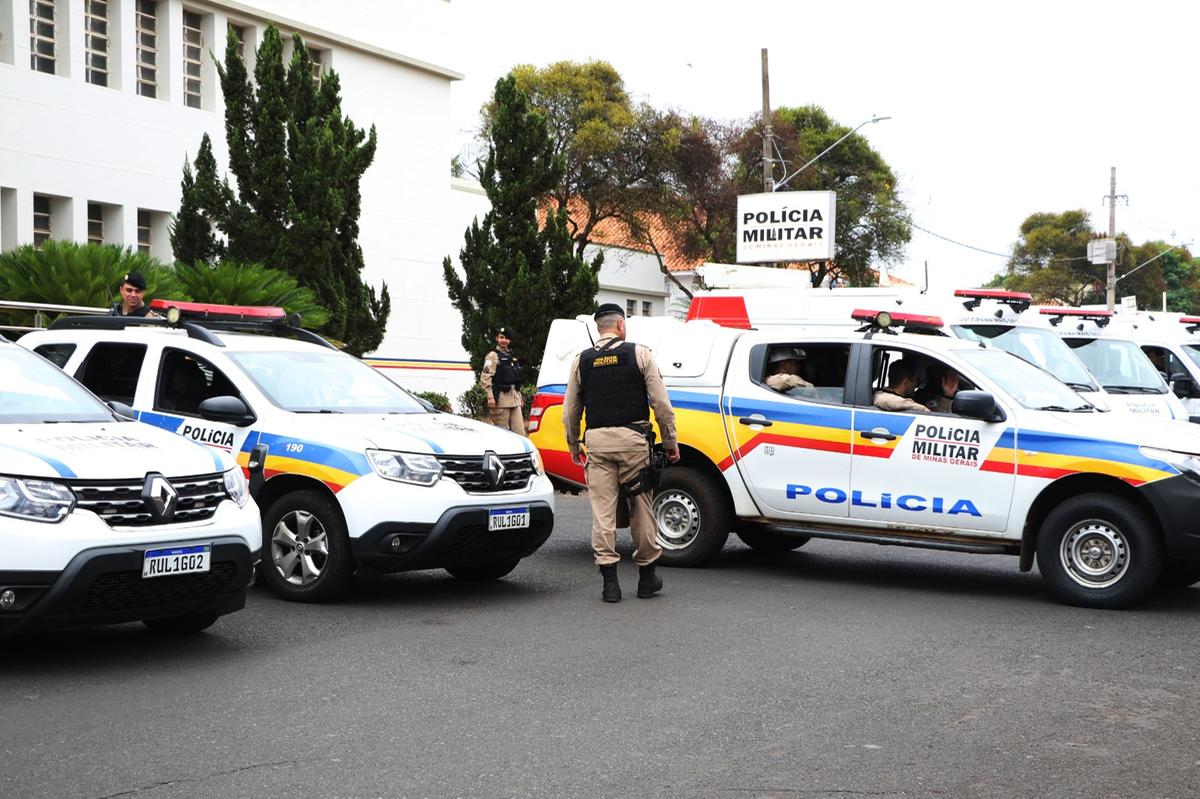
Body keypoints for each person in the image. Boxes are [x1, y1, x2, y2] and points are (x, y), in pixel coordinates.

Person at [563, 303, 681, 603]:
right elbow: (662, 405)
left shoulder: (582, 361)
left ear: (598, 328)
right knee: (641, 507)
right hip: (633, 442)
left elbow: (570, 413)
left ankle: (610, 585)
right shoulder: (640, 354)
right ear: (620, 325)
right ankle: (646, 579)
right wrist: (670, 442)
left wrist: (574, 446)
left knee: (602, 513)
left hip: (598, 444)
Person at [480, 326, 525, 435]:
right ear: (497, 338)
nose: (504, 340)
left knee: (520, 433)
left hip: (514, 400)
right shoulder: (493, 356)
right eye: (501, 337)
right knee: (502, 434)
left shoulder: (511, 356)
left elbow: (514, 379)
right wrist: (490, 396)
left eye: (507, 338)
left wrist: (519, 396)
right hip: (500, 400)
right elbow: (485, 377)